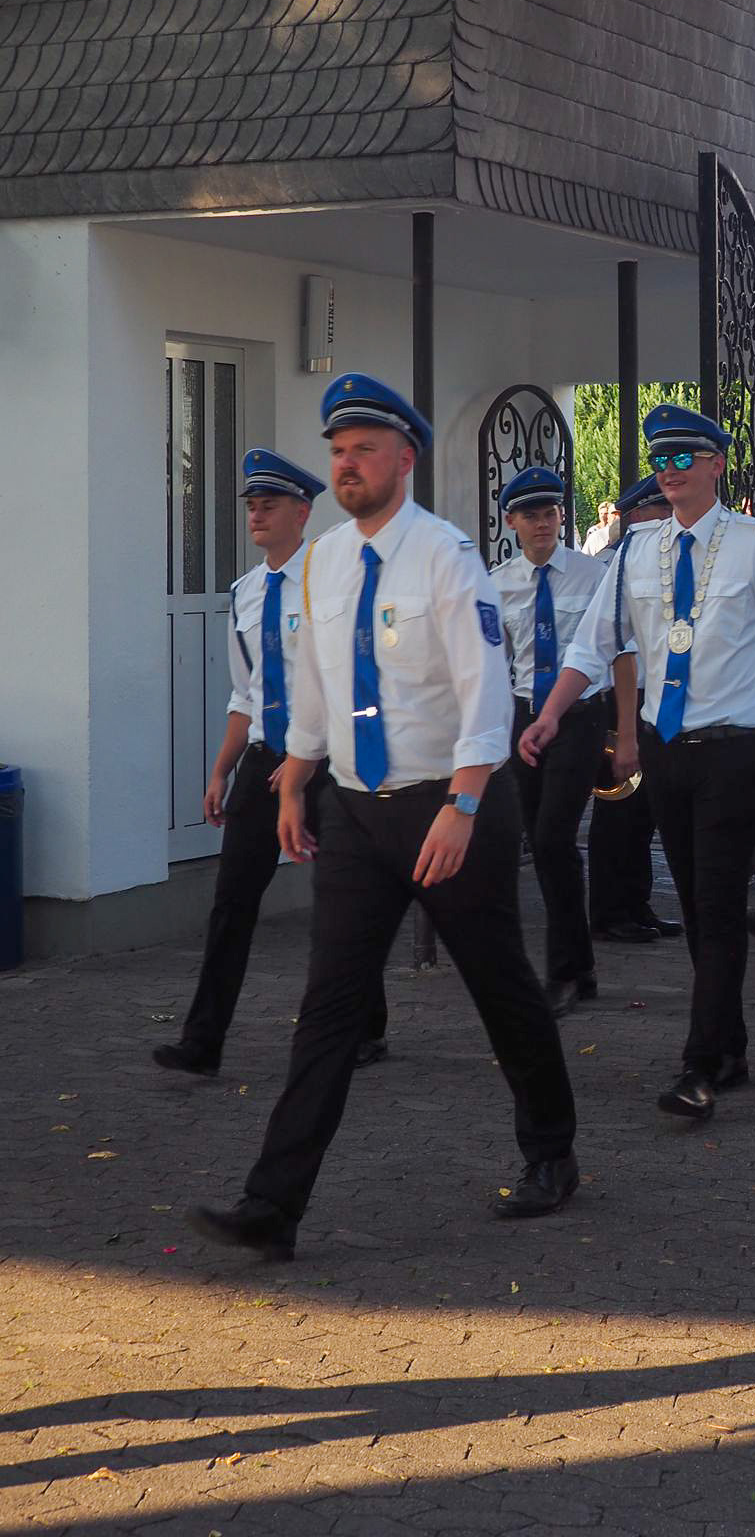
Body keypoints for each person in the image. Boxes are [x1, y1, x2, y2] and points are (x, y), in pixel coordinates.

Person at [186, 375, 579, 1259]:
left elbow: (486, 694)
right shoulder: (323, 560)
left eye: (363, 450)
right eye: (338, 452)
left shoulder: (446, 557)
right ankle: (272, 1205)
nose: (346, 465)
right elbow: (315, 682)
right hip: (358, 815)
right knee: (329, 1007)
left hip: (450, 807)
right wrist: (295, 780)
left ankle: (552, 1152)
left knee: (501, 987)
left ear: (405, 459)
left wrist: (465, 805)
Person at [521, 403, 755, 1123]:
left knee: (716, 903)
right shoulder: (636, 551)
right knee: (699, 905)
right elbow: (594, 644)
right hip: (665, 749)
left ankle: (699, 1065)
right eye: (661, 461)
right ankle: (729, 1046)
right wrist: (550, 713)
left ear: (716, 465)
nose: (670, 472)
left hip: (734, 751)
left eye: (684, 459)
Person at [153, 451, 389, 1078]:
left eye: (270, 505)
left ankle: (365, 1027)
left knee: (345, 898)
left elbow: (348, 676)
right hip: (263, 764)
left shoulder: (329, 581)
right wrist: (221, 770)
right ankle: (202, 1041)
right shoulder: (245, 593)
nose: (256, 515)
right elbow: (246, 694)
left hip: (327, 762)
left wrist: (307, 757)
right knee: (231, 901)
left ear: (302, 513)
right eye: (252, 506)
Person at [492, 465, 608, 1016]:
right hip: (524, 715)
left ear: (563, 517)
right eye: (530, 515)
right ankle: (580, 965)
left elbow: (619, 651)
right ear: (511, 522)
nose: (542, 524)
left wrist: (624, 730)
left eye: (550, 513)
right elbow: (494, 663)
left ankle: (562, 971)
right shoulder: (497, 584)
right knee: (541, 844)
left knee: (554, 834)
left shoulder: (593, 575)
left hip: (579, 718)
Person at [586, 473, 683, 945]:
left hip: (656, 697)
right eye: (661, 509)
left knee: (644, 811)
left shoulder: (663, 559)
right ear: (638, 515)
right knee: (617, 807)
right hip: (621, 700)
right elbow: (612, 643)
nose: (669, 516)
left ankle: (636, 902)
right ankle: (608, 910)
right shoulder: (615, 564)